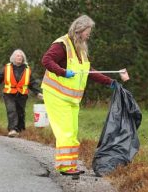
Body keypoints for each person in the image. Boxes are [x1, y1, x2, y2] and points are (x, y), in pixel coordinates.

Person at [41, 14, 128, 177]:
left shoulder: (80, 47)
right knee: (65, 131)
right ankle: (66, 167)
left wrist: (110, 82)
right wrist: (62, 72)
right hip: (56, 95)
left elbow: (89, 71)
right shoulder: (62, 45)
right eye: (88, 31)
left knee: (72, 131)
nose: (89, 34)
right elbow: (46, 60)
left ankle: (67, 164)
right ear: (79, 30)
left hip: (71, 98)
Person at [0, 49, 43, 137]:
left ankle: (21, 129)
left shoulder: (27, 69)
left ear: (23, 58)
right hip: (9, 93)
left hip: (22, 94)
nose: (20, 57)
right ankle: (12, 129)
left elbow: (32, 83)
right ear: (13, 58)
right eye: (17, 55)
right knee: (11, 110)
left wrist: (38, 93)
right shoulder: (7, 68)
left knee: (20, 112)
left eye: (21, 56)